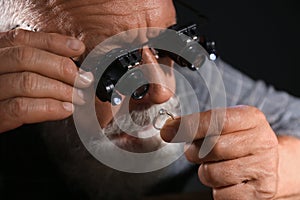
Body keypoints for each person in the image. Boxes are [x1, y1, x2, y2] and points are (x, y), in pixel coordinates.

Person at [1, 0, 300, 199]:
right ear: (22, 59)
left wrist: (275, 164)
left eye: (166, 43)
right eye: (113, 63)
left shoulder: (188, 79)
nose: (162, 91)